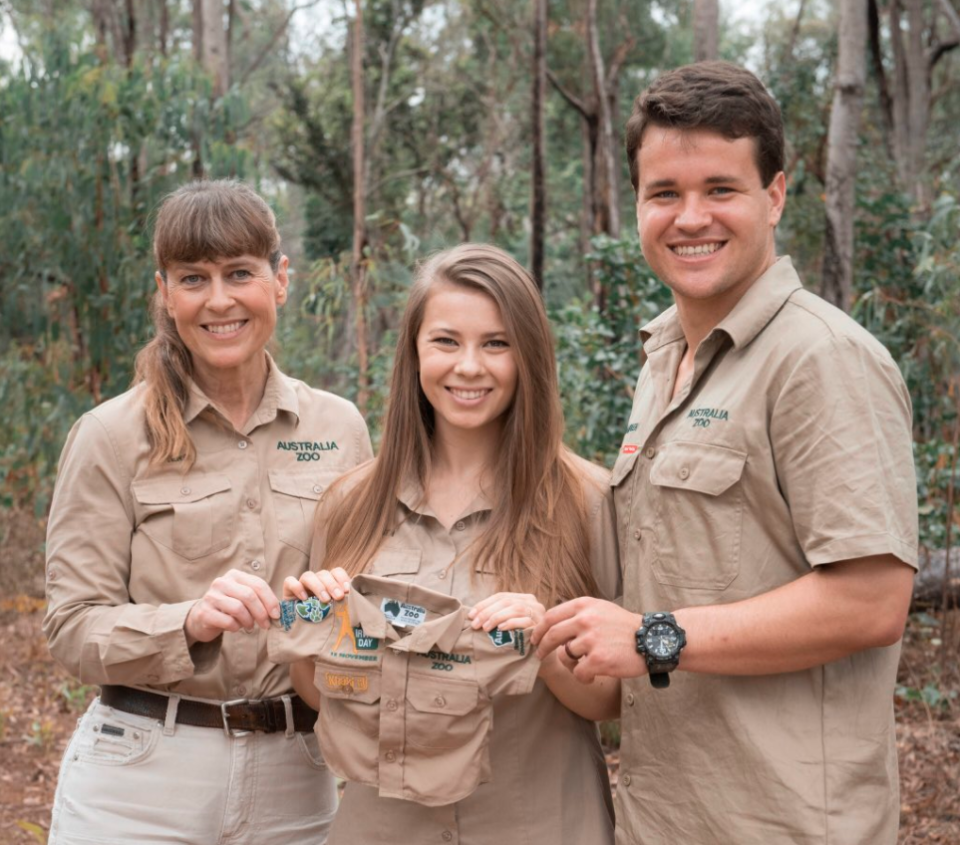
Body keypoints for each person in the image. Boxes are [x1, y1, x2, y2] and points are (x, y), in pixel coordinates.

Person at [534, 61, 919, 845]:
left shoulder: (820, 359)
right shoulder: (663, 359)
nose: (690, 217)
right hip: (667, 815)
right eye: (664, 193)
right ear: (636, 204)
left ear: (774, 196)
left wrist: (650, 636)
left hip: (783, 824)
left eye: (721, 188)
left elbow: (871, 600)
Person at [43, 179, 372, 845]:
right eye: (194, 278)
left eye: (239, 273)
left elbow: (360, 609)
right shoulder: (110, 435)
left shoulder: (340, 428)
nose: (219, 299)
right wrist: (187, 621)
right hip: (140, 782)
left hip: (298, 777)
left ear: (280, 279)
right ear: (164, 293)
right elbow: (71, 628)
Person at [282, 243, 620, 845]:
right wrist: (308, 627)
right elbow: (321, 693)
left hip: (539, 825)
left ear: (530, 357)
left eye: (496, 343)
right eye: (445, 341)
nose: (469, 366)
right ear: (413, 352)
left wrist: (544, 641)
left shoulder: (590, 502)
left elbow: (612, 703)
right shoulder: (350, 504)